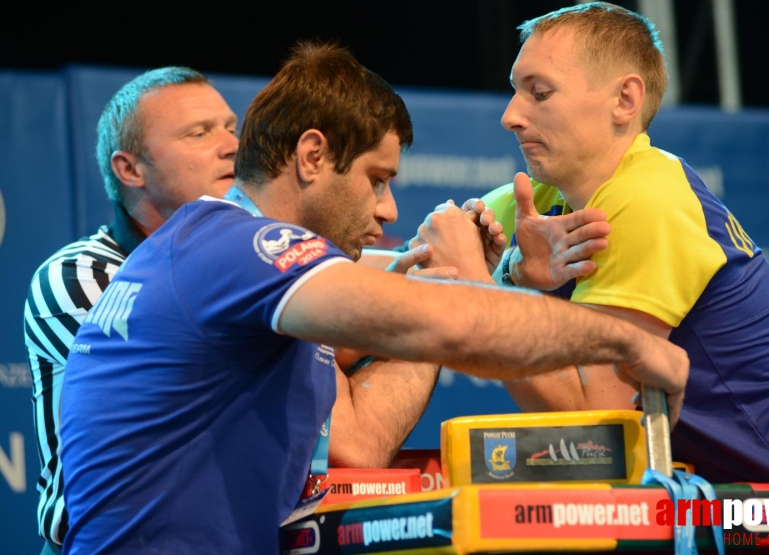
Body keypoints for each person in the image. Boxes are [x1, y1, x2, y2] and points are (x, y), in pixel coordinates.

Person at [58, 40, 688, 555]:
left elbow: (393, 342)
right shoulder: (239, 249)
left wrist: (474, 278)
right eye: (377, 180)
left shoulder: (222, 258)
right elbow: (444, 332)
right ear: (312, 156)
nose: (388, 209)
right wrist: (624, 340)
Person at [475, 1, 769, 528]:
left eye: (539, 93)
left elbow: (588, 427)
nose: (510, 115)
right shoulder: (535, 197)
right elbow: (400, 284)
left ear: (625, 100)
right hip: (715, 512)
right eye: (515, 90)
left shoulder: (649, 198)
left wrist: (484, 289)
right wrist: (498, 267)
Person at [23, 65, 449, 554]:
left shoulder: (249, 256)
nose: (229, 145)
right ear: (130, 170)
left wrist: (487, 265)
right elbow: (331, 407)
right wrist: (438, 294)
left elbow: (362, 305)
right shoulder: (80, 276)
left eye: (231, 128)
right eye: (198, 133)